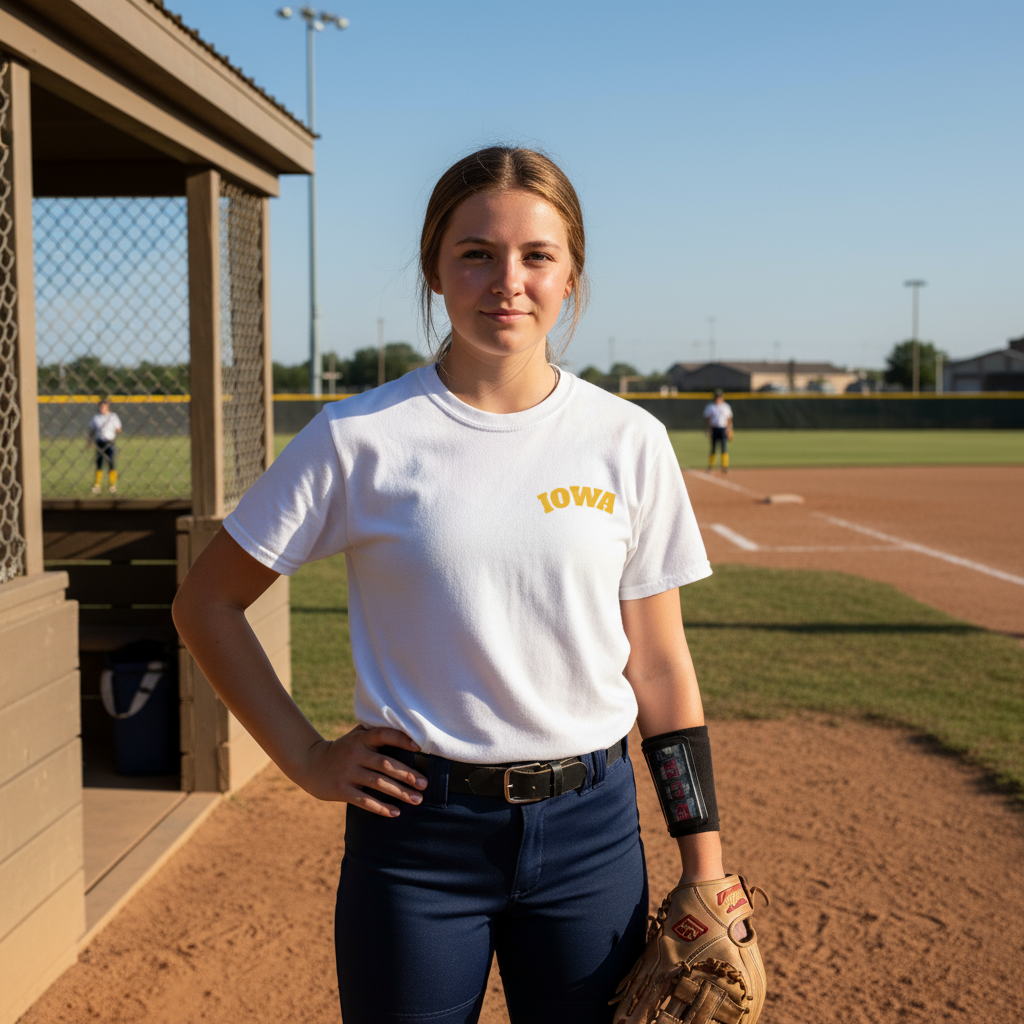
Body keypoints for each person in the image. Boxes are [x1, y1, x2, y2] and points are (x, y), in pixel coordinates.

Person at [172, 147, 729, 1024]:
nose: (507, 280)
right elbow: (205, 601)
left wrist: (705, 866)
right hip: (416, 834)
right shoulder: (360, 437)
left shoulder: (627, 440)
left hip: (591, 831)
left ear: (572, 272)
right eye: (476, 252)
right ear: (435, 269)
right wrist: (309, 759)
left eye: (537, 255)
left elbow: (658, 667)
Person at [88, 399, 122, 494]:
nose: (102, 408)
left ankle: (112, 485)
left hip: (110, 442)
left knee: (111, 463)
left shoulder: (113, 416)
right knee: (99, 463)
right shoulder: (96, 417)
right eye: (101, 406)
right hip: (100, 442)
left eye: (104, 406)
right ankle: (97, 485)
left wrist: (113, 430)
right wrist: (89, 442)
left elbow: (119, 428)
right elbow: (91, 430)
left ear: (108, 407)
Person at [703, 388, 733, 472]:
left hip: (723, 428)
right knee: (713, 448)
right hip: (714, 428)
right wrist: (708, 429)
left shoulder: (726, 406)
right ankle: (711, 466)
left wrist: (729, 430)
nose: (717, 399)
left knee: (724, 447)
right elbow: (707, 418)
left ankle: (725, 466)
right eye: (716, 397)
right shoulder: (710, 407)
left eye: (719, 397)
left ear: (722, 397)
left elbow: (729, 418)